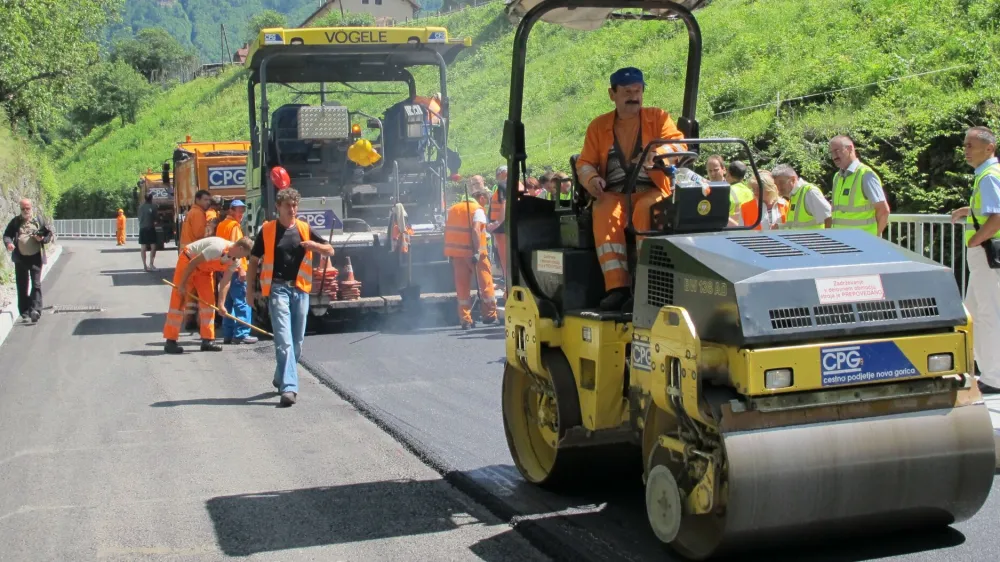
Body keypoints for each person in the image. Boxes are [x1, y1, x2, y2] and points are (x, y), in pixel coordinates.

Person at [575, 66, 686, 311]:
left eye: (638, 90)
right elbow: (584, 163)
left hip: (653, 189)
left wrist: (657, 156)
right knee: (604, 210)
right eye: (627, 91)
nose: (633, 96)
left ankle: (649, 284)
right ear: (612, 94)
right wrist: (592, 179)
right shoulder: (598, 126)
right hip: (613, 193)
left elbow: (678, 144)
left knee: (644, 210)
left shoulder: (658, 117)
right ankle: (618, 287)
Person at [246, 185, 335, 407]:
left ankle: (280, 376)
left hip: (300, 290)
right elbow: (254, 261)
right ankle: (289, 388)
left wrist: (315, 245)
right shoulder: (267, 230)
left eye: (295, 205)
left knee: (297, 342)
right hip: (277, 289)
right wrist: (250, 291)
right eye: (288, 205)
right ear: (278, 207)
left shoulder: (304, 229)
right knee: (284, 340)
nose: (292, 209)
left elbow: (330, 249)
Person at [949, 126, 1000, 394]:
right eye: (965, 145)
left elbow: (997, 217)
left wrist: (975, 240)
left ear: (989, 148)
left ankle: (993, 376)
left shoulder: (989, 176)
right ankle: (980, 367)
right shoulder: (988, 175)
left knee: (987, 313)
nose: (965, 150)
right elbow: (990, 209)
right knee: (973, 310)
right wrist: (969, 211)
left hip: (986, 254)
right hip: (985, 254)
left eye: (970, 145)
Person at [162, 235, 252, 354]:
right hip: (188, 261)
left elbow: (226, 281)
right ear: (240, 248)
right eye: (244, 254)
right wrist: (182, 284)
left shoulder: (236, 260)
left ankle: (207, 340)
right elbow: (193, 263)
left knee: (209, 303)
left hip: (204, 271)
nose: (244, 258)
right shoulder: (217, 248)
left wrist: (221, 304)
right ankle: (170, 341)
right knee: (179, 301)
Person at [444, 184, 498, 329]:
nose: (485, 204)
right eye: (485, 201)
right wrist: (476, 251)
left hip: (457, 254)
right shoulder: (477, 210)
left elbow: (449, 230)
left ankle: (465, 319)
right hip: (475, 254)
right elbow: (475, 230)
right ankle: (489, 314)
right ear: (480, 198)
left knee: (462, 287)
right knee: (485, 283)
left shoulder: (453, 209)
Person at [828, 135, 891, 236]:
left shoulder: (866, 175)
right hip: (841, 244)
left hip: (862, 245)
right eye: (831, 152)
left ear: (850, 148)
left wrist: (873, 239)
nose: (834, 156)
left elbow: (883, 211)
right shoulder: (837, 177)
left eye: (837, 151)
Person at [3, 198, 53, 323]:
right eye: (23, 209)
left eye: (28, 208)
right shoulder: (15, 222)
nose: (25, 211)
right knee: (22, 285)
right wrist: (9, 243)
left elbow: (48, 235)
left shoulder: (38, 221)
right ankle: (25, 312)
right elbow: (7, 235)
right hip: (20, 258)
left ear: (32, 208)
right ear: (20, 209)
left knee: (36, 284)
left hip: (35, 257)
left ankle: (35, 310)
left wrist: (41, 238)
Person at [216, 200, 257, 345]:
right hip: (234, 268)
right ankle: (241, 334)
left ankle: (228, 334)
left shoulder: (222, 225)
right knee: (242, 302)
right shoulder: (234, 227)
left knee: (228, 302)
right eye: (239, 210)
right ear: (231, 211)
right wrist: (241, 269)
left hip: (224, 268)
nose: (241, 214)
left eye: (243, 211)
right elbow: (237, 250)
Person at [771, 164, 832, 229]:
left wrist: (827, 238)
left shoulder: (809, 192)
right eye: (776, 184)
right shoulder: (795, 195)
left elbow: (828, 217)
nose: (778, 187)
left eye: (781, 183)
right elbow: (796, 226)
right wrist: (780, 227)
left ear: (793, 179)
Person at [137, 192, 159, 271]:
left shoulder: (140, 207)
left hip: (142, 228)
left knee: (143, 247)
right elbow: (156, 218)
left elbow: (139, 217)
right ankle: (151, 264)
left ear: (144, 198)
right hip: (150, 228)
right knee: (153, 246)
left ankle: (144, 266)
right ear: (151, 198)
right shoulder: (153, 207)